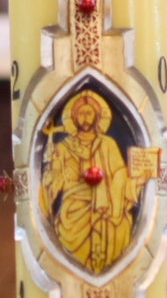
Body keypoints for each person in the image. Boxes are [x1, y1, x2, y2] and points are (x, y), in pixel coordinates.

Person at [38, 89, 143, 276]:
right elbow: (50, 182)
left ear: (97, 117)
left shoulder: (108, 144)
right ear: (74, 118)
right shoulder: (63, 147)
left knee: (123, 226)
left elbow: (120, 176)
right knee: (65, 233)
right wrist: (57, 176)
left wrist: (138, 179)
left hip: (107, 209)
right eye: (81, 114)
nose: (85, 118)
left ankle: (106, 277)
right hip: (74, 208)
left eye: (89, 113)